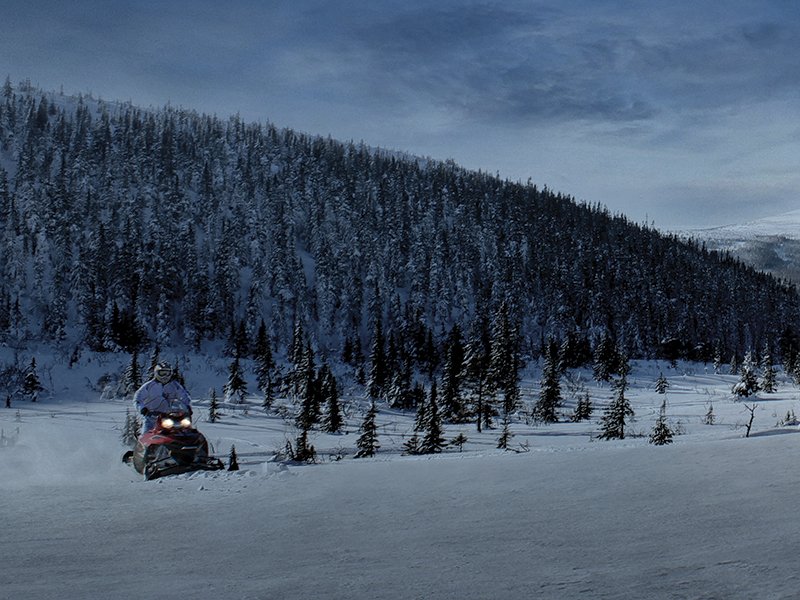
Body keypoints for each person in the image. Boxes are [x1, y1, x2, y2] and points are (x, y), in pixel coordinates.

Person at [133, 362, 192, 434]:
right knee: (147, 436)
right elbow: (137, 399)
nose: (165, 376)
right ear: (156, 373)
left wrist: (187, 406)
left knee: (184, 432)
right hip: (152, 417)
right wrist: (142, 409)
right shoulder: (149, 386)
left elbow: (184, 396)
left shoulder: (175, 385)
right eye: (162, 373)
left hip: (171, 417)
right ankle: (143, 444)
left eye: (168, 373)